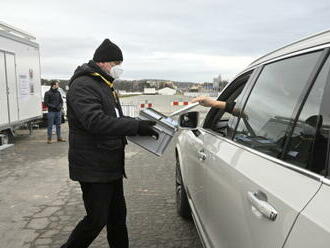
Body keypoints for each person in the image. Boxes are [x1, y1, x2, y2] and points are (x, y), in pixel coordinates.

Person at [60, 39, 158, 248]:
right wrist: (135, 127)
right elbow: (95, 122)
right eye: (116, 63)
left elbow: (115, 117)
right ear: (103, 62)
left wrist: (138, 124)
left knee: (117, 216)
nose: (118, 69)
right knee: (96, 219)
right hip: (93, 165)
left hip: (110, 162)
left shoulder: (104, 84)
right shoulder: (84, 85)